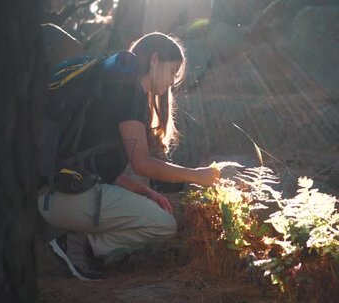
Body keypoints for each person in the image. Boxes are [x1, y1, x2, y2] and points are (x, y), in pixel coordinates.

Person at [38, 32, 220, 280]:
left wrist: (146, 192)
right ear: (155, 60)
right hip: (67, 196)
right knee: (163, 225)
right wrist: (198, 176)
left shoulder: (113, 87)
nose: (172, 81)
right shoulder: (130, 92)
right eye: (172, 71)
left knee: (152, 209)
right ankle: (79, 245)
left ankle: (79, 243)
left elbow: (101, 169)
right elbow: (141, 163)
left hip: (54, 192)